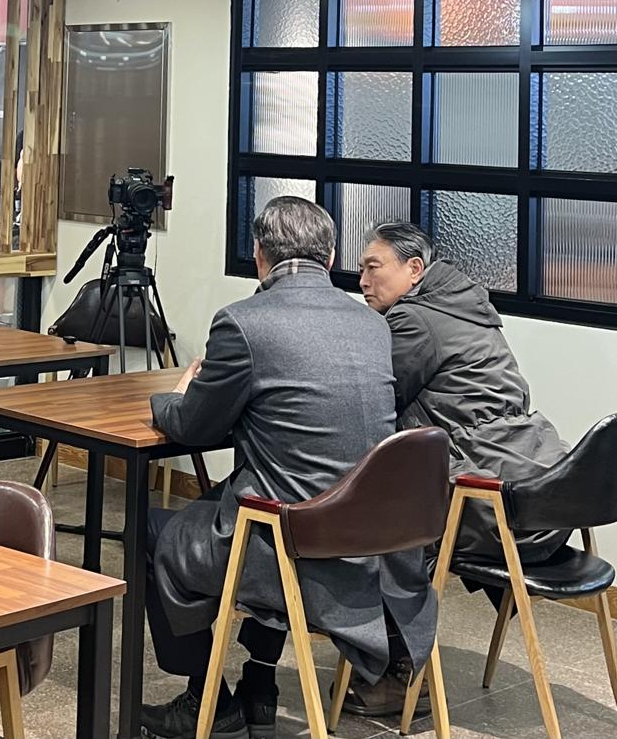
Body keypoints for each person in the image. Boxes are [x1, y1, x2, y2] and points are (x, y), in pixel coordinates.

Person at [140, 198, 436, 739]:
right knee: (264, 493)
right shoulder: (372, 325)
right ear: (331, 258)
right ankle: (260, 685)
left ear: (260, 255)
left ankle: (207, 699)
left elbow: (196, 426)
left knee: (157, 529)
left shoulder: (243, 323)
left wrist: (170, 398)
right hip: (370, 543)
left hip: (290, 541)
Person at [353, 220, 569, 714]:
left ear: (414, 269)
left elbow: (374, 400)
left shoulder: (413, 320)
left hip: (488, 500)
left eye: (372, 268)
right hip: (539, 492)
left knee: (383, 529)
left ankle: (401, 674)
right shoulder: (470, 308)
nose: (362, 281)